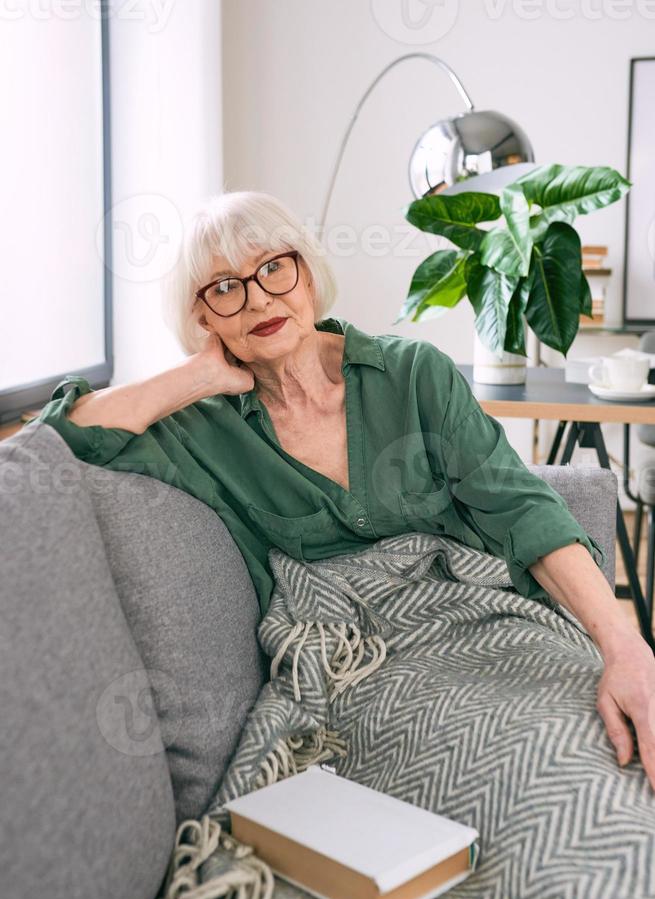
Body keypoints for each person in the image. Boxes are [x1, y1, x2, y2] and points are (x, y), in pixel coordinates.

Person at [31, 190, 655, 789]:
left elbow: (523, 508)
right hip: (368, 678)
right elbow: (56, 439)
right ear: (200, 315)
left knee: (602, 760)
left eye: (275, 267)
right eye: (224, 288)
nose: (257, 299)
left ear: (307, 270)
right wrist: (196, 373)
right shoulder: (200, 429)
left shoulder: (413, 374)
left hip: (491, 632)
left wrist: (625, 646)